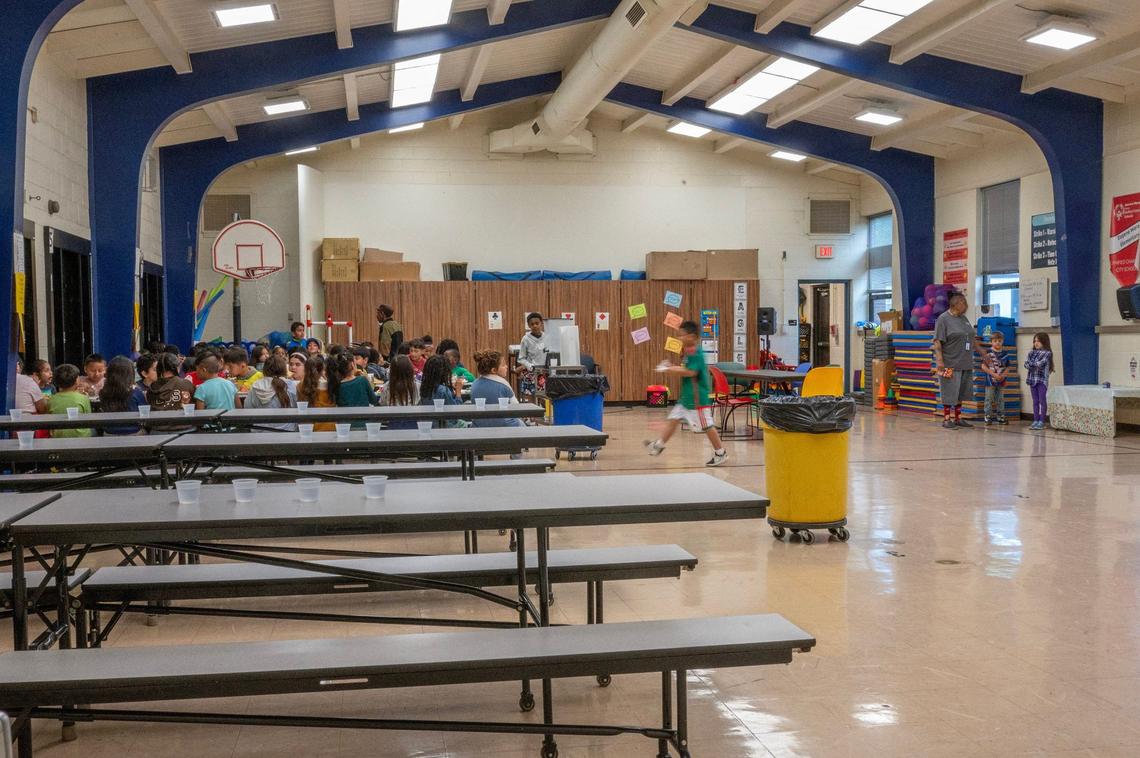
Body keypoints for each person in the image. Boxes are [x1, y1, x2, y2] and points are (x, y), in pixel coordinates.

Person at [643, 321, 727, 467]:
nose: (680, 338)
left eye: (682, 335)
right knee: (674, 419)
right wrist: (672, 367)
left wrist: (670, 369)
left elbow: (691, 372)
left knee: (707, 425)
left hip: (697, 399)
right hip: (686, 397)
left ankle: (720, 452)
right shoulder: (688, 351)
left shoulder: (696, 353)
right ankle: (659, 445)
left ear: (692, 336)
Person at [932, 292, 982, 430]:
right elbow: (937, 342)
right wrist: (940, 361)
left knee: (961, 392)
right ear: (957, 303)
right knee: (949, 391)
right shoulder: (943, 319)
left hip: (965, 363)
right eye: (964, 303)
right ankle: (947, 419)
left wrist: (984, 354)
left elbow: (971, 339)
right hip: (950, 363)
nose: (966, 306)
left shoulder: (964, 319)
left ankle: (958, 418)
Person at [469, 350, 525, 429]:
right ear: (494, 370)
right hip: (505, 426)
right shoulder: (503, 384)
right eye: (503, 365)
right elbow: (516, 407)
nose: (506, 366)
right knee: (523, 425)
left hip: (479, 426)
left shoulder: (475, 383)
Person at [246, 354, 297, 431]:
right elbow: (297, 407)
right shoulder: (290, 385)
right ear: (284, 369)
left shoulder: (255, 386)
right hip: (287, 433)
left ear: (265, 369)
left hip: (260, 434)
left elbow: (247, 409)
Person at [99, 356, 148, 435]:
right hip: (133, 432)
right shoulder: (135, 392)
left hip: (109, 433)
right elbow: (145, 413)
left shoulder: (104, 392)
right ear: (130, 374)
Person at [46, 364, 93, 438]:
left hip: (58, 437)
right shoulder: (83, 398)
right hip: (81, 437)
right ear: (77, 381)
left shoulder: (51, 400)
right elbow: (89, 419)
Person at [297, 355, 336, 431]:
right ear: (322, 370)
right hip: (331, 426)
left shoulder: (300, 386)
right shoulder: (331, 385)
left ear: (305, 369)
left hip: (310, 428)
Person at [378, 355, 419, 429]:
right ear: (410, 369)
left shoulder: (387, 386)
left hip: (393, 422)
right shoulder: (417, 386)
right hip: (412, 422)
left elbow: (382, 403)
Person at [1024, 332, 1054, 431]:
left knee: (1042, 401)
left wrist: (1031, 364)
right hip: (1032, 380)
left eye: (1039, 341)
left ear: (1044, 342)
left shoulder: (1047, 353)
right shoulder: (1031, 353)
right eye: (1035, 341)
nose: (1036, 343)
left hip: (1042, 381)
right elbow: (1026, 364)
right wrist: (1032, 364)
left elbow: (1040, 364)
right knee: (1035, 401)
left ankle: (1042, 421)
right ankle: (1036, 420)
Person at [981, 331, 1009, 425]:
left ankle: (1000, 416)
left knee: (1000, 399)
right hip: (990, 381)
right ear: (991, 342)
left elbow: (1008, 367)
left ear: (1002, 341)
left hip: (1001, 380)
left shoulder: (1005, 353)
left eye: (999, 341)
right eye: (995, 340)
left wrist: (1003, 375)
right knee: (989, 398)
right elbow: (983, 366)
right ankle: (988, 416)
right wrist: (993, 374)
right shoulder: (988, 353)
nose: (997, 342)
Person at [517, 312, 547, 398]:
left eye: (537, 323)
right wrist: (530, 366)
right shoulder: (525, 339)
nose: (535, 326)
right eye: (532, 324)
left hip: (544, 372)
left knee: (543, 397)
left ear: (541, 323)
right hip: (531, 372)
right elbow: (521, 358)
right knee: (531, 397)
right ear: (529, 326)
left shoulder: (547, 337)